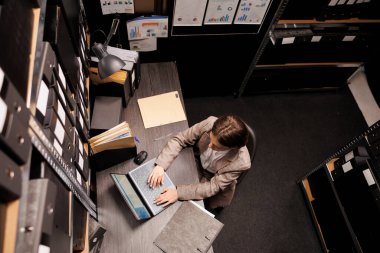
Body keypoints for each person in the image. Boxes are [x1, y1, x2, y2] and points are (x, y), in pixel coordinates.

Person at [148, 115, 251, 210]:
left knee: (185, 209)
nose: (210, 146)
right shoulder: (210, 123)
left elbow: (213, 187)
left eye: (216, 146)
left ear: (232, 148)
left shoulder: (241, 163)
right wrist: (160, 165)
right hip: (196, 161)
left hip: (213, 178)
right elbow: (180, 139)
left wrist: (178, 193)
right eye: (210, 139)